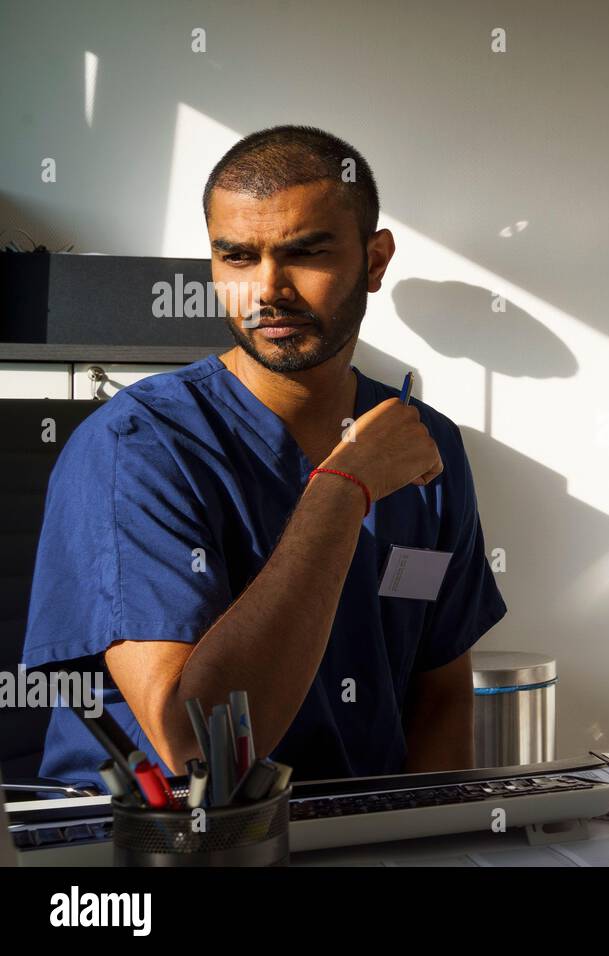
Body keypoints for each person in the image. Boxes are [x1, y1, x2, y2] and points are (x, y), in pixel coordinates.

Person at [23, 126, 506, 790]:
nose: (268, 290)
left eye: (305, 253)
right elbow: (198, 745)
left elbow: (442, 693)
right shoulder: (138, 446)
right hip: (163, 843)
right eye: (239, 257)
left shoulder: (425, 448)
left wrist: (434, 842)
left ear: (374, 260)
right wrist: (343, 489)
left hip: (352, 835)